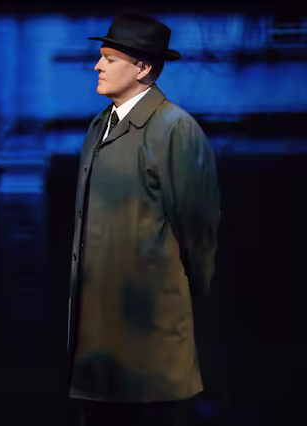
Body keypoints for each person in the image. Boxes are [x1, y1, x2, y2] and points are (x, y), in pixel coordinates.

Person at [66, 13, 220, 426]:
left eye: (110, 58)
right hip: (98, 333)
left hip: (149, 330)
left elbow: (199, 231)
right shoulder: (99, 125)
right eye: (101, 56)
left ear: (143, 67)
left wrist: (186, 305)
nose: (97, 66)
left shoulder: (174, 129)